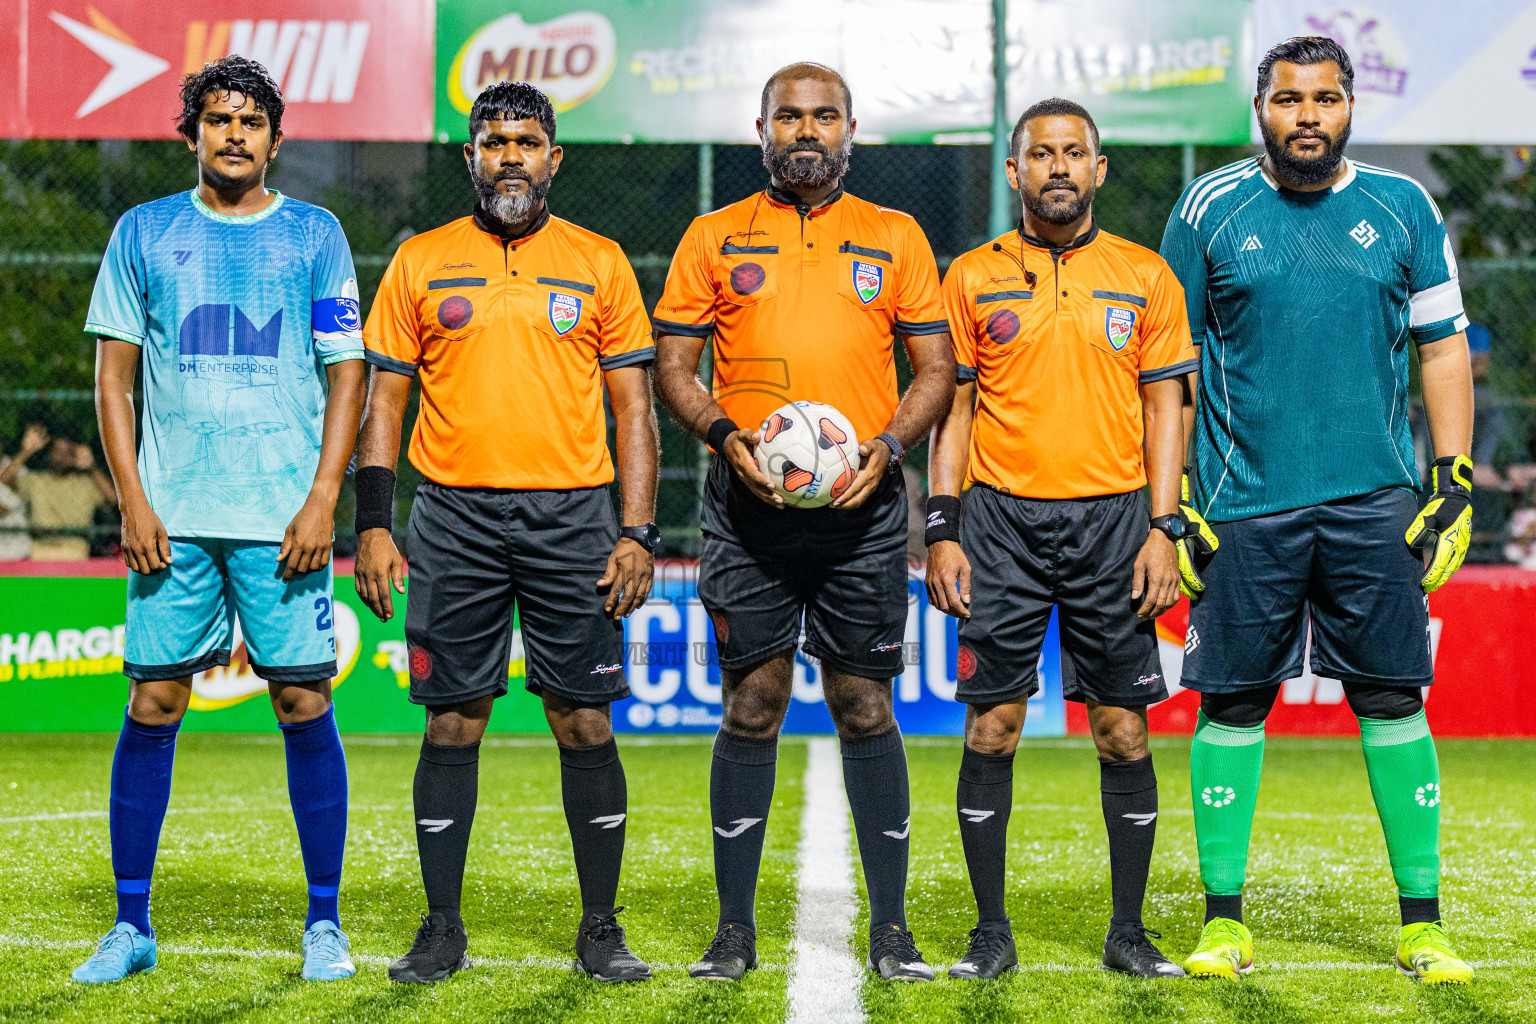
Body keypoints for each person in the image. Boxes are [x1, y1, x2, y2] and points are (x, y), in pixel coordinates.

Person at [1159, 36, 1475, 984]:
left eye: (1325, 98)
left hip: (1374, 502)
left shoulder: (1404, 207)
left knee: (1389, 696)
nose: (1307, 114)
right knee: (1234, 701)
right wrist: (1167, 496)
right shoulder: (1208, 207)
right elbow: (1167, 371)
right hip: (1239, 505)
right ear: (1260, 108)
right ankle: (1223, 923)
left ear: (1349, 107)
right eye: (1289, 98)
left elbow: (1443, 350)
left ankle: (1422, 925)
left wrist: (1450, 478)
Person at [653, 62, 956, 983]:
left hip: (861, 513)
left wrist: (888, 448)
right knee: (754, 702)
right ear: (762, 129)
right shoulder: (713, 236)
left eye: (825, 116)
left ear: (851, 129)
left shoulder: (895, 237)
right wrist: (721, 433)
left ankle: (892, 929)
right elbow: (674, 368)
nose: (807, 131)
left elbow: (937, 372)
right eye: (790, 117)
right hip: (747, 511)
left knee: (866, 704)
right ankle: (733, 930)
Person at [354, 81, 660, 985]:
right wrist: (374, 525)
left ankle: (600, 926)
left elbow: (634, 410)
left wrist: (637, 531)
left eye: (528, 141)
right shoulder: (421, 259)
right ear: (471, 158)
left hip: (574, 515)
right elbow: (384, 402)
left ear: (555, 158)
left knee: (583, 720)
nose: (512, 156)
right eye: (495, 142)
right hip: (452, 516)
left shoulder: (599, 261)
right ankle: (441, 926)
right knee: (453, 719)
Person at [73, 56, 366, 984]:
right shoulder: (142, 232)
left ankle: (324, 923)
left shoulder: (315, 235)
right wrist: (134, 497)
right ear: (190, 132)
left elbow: (346, 372)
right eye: (217, 119)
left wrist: (326, 499)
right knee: (153, 700)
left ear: (276, 139)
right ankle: (131, 926)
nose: (233, 133)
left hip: (285, 519)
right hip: (176, 518)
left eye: (250, 121)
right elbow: (114, 379)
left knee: (301, 701)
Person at [928, 98, 1198, 980]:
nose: (1057, 167)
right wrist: (944, 528)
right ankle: (989, 933)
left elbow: (1167, 408)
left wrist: (1165, 527)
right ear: (1014, 172)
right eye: (1039, 153)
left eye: (1073, 153)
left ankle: (1130, 933)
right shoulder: (968, 275)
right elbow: (955, 409)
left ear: (1099, 169)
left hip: (1116, 525)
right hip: (1000, 522)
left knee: (1123, 731)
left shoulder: (1147, 275)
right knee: (992, 729)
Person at [0, 424, 117, 559]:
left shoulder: (86, 483)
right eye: (57, 451)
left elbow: (113, 498)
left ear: (74, 454)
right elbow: (4, 482)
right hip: (40, 548)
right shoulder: (36, 480)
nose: (61, 457)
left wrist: (91, 466)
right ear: (49, 453)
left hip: (76, 549)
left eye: (67, 452)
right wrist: (27, 451)